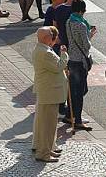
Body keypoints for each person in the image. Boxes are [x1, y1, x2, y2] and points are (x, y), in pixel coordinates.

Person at [32, 26, 68, 163]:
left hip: (48, 92)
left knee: (49, 124)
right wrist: (64, 55)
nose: (53, 37)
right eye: (51, 35)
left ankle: (48, 148)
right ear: (47, 38)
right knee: (48, 125)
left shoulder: (42, 49)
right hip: (49, 93)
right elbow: (59, 66)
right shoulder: (45, 52)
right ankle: (44, 153)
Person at [65, 0, 95, 130]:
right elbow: (86, 46)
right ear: (81, 11)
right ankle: (77, 118)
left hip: (71, 59)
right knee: (81, 90)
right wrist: (90, 34)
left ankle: (69, 114)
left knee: (73, 90)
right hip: (80, 62)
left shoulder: (69, 22)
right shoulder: (82, 26)